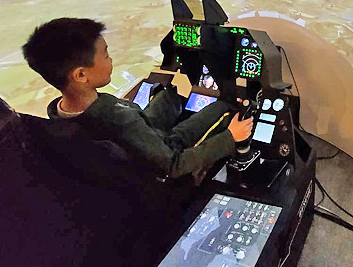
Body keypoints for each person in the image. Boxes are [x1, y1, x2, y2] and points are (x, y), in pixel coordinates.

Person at [22, 17, 253, 181]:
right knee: (226, 108)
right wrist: (231, 137)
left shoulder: (59, 116)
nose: (110, 60)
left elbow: (140, 129)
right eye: (106, 55)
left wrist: (169, 96)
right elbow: (172, 166)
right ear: (81, 75)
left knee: (170, 99)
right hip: (164, 173)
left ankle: (177, 98)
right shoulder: (118, 121)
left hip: (150, 147)